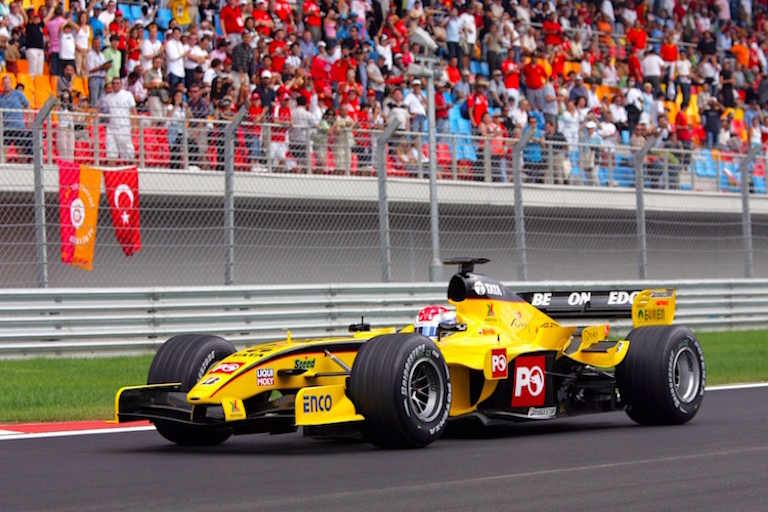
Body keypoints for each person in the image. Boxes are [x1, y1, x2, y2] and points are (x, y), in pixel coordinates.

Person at [102, 77, 137, 165]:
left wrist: (135, 124)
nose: (115, 85)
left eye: (117, 83)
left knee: (128, 150)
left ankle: (131, 169)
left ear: (121, 84)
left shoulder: (128, 95)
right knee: (111, 150)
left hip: (124, 127)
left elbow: (133, 110)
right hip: (111, 128)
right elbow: (100, 109)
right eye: (113, 83)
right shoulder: (107, 97)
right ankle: (112, 170)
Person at [0, 75, 30, 162]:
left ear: (11, 83)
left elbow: (27, 105)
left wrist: (28, 120)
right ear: (2, 85)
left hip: (18, 126)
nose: (6, 85)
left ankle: (23, 167)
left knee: (20, 150)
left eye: (8, 83)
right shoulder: (0, 98)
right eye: (4, 83)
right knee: (3, 151)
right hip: (6, 128)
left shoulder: (18, 94)